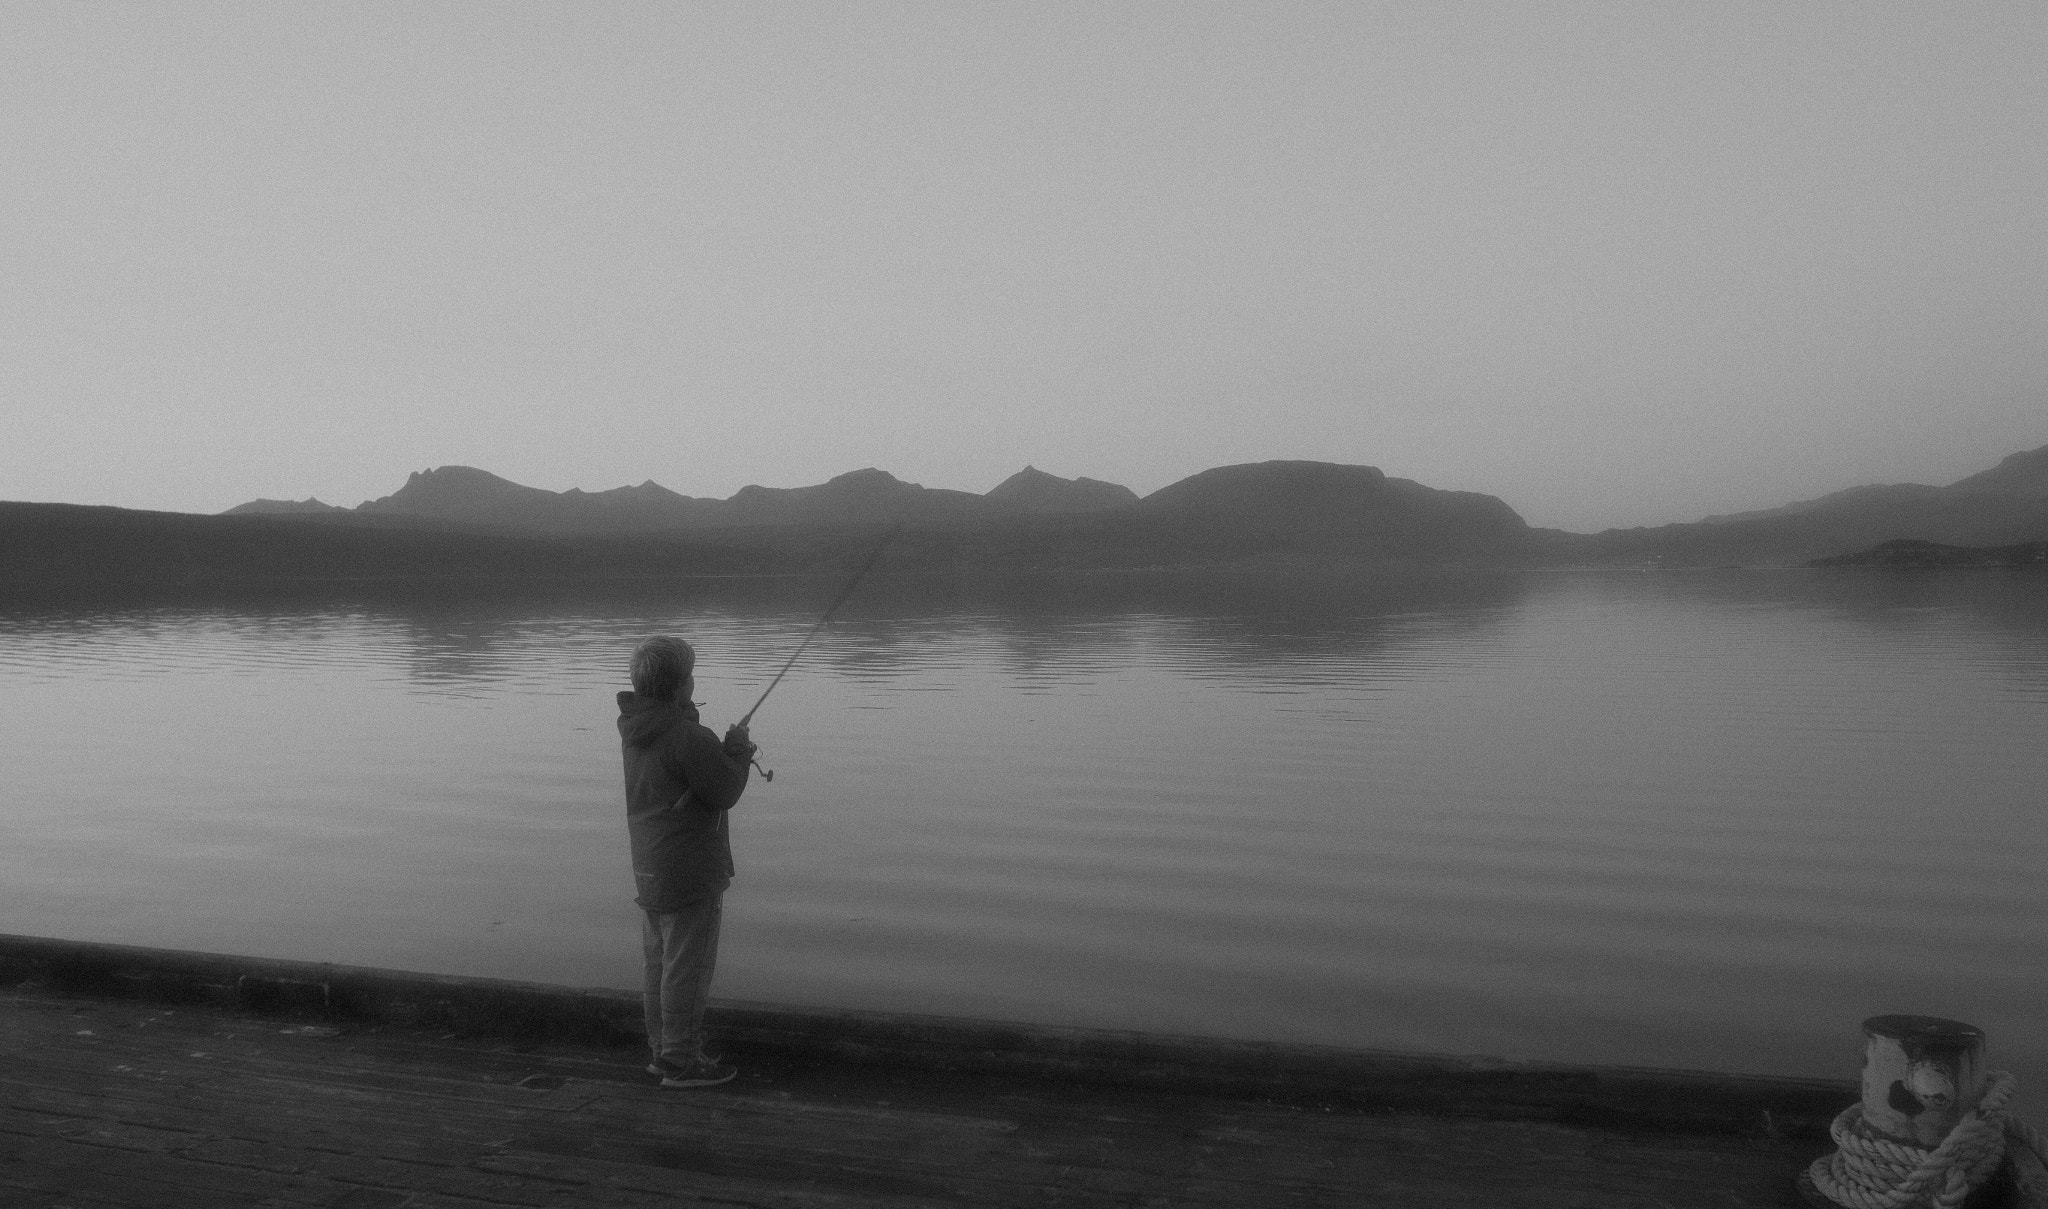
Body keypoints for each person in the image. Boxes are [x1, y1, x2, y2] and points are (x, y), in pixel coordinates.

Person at [618, 635, 756, 1087]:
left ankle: (662, 1050)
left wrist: (696, 723)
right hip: (691, 870)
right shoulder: (688, 737)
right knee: (688, 968)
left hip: (651, 866)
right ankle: (681, 1061)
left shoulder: (638, 731)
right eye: (690, 677)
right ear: (680, 687)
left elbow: (679, 763)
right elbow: (725, 791)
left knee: (659, 965)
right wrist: (737, 747)